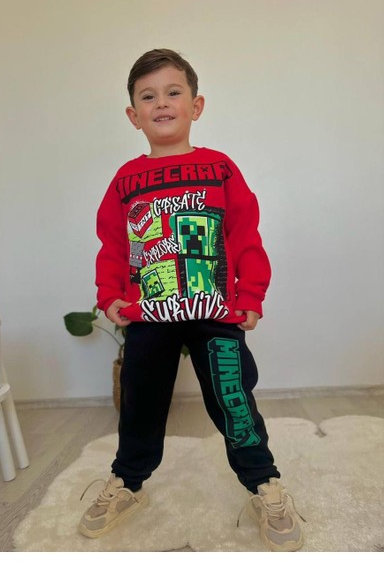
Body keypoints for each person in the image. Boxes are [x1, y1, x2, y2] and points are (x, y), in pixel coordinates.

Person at [79, 49, 304, 552]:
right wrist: (109, 295)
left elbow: (245, 234)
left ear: (196, 106)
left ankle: (264, 484)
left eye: (173, 92)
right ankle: (127, 482)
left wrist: (252, 294)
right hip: (148, 317)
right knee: (140, 400)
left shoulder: (220, 168)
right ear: (134, 115)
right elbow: (113, 243)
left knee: (234, 399)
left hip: (215, 315)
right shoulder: (125, 180)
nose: (161, 103)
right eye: (148, 96)